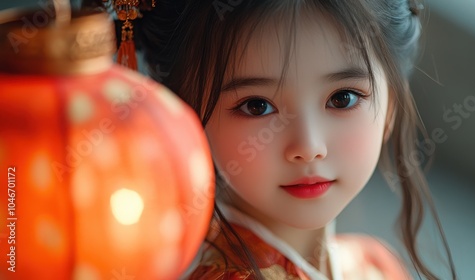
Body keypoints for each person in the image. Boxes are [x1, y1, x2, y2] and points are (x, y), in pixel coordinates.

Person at [138, 0, 457, 279]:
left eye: (343, 98)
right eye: (257, 106)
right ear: (184, 115)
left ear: (392, 106)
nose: (308, 147)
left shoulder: (375, 265)